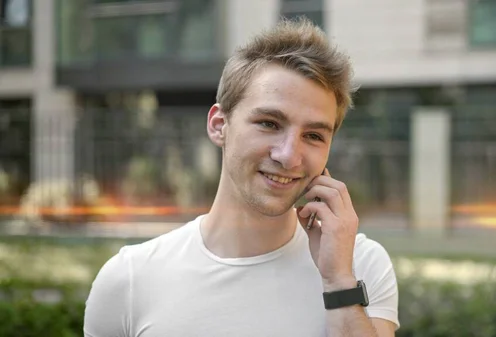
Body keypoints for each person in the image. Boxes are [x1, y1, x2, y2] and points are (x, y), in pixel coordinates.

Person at [83, 17, 399, 337]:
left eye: (314, 136)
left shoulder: (360, 265)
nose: (289, 155)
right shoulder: (129, 280)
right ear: (220, 125)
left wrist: (338, 282)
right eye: (269, 123)